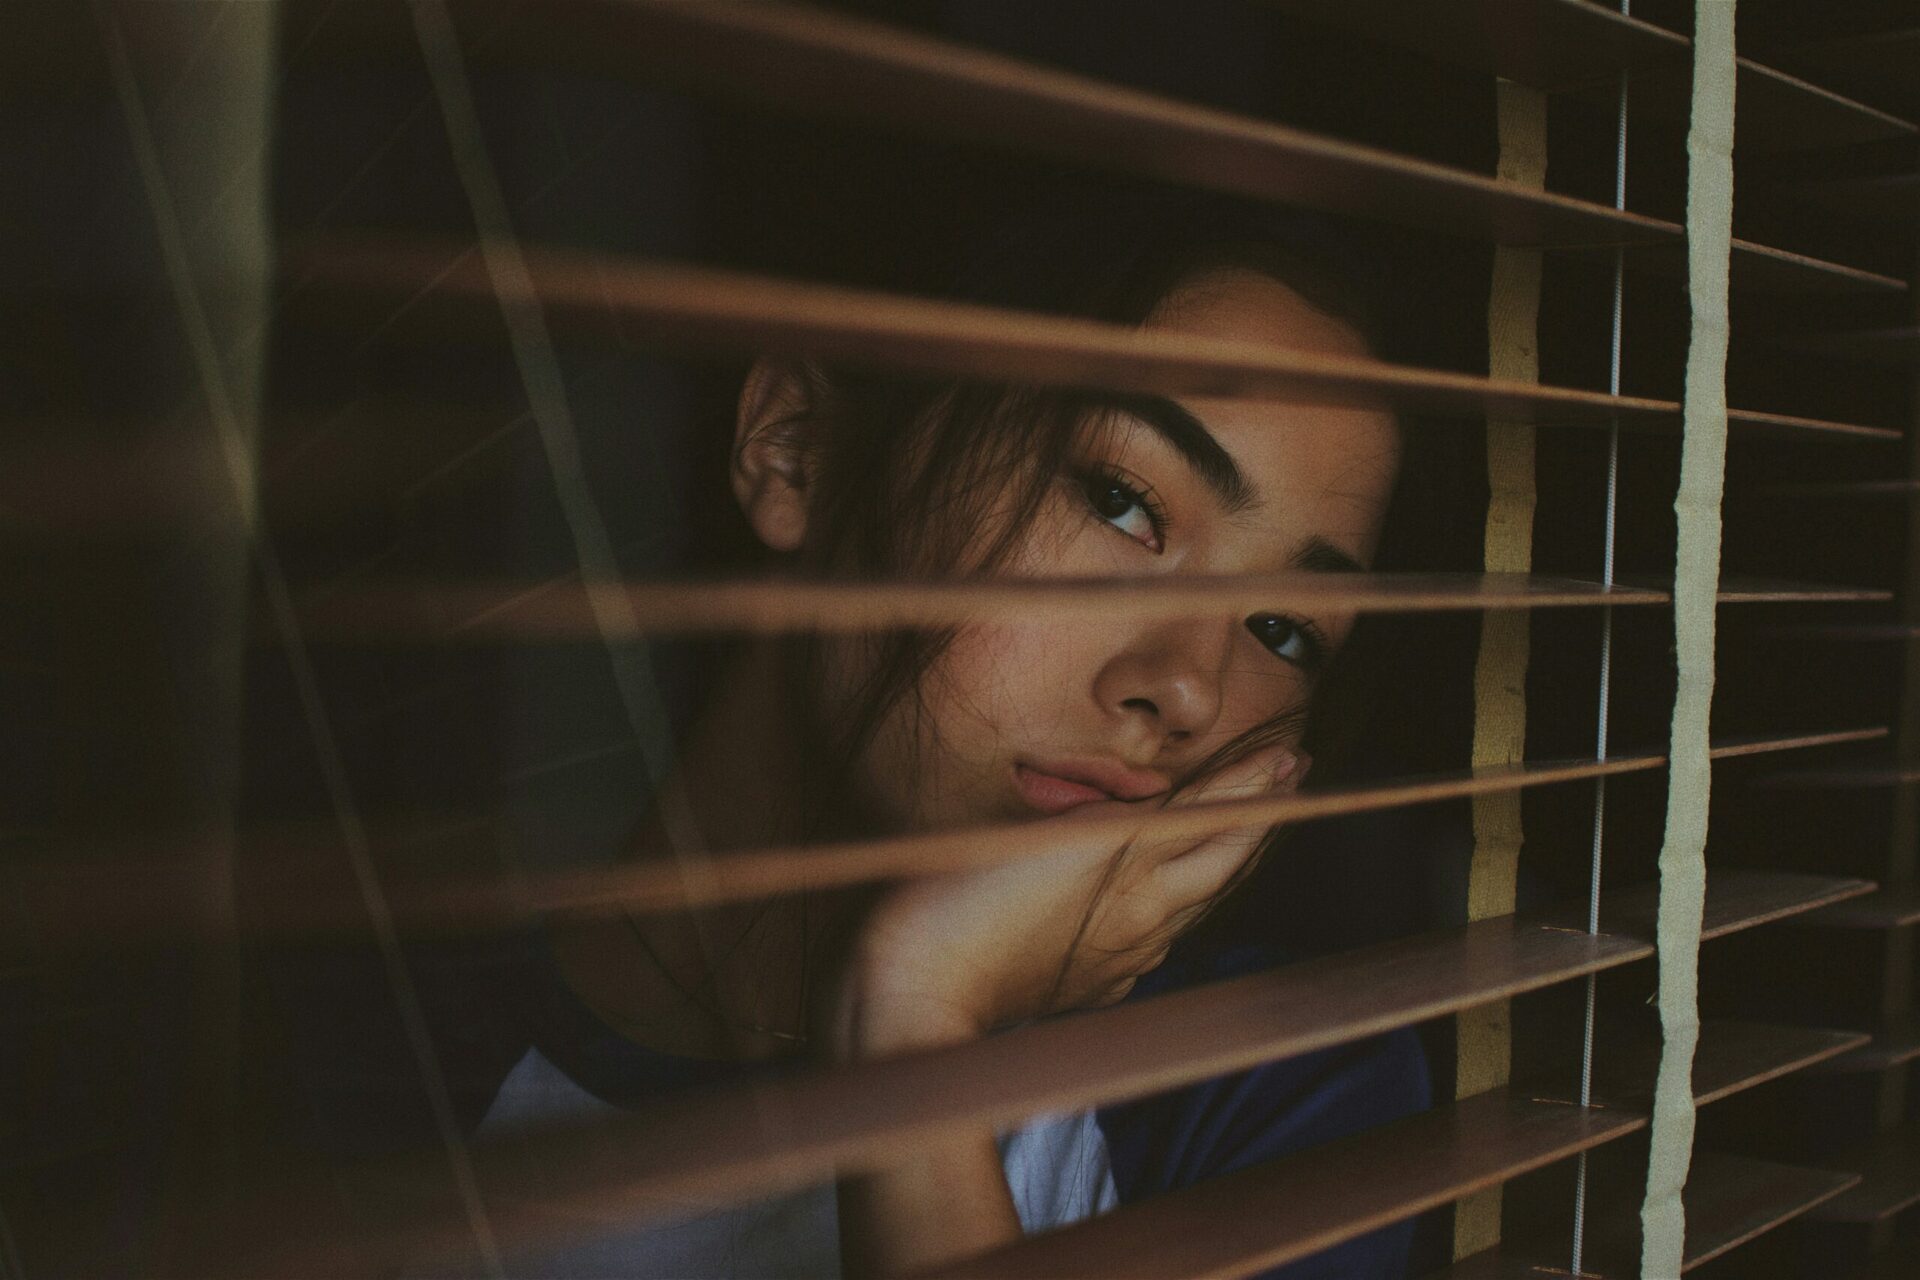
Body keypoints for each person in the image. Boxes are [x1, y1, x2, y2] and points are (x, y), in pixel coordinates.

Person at [469, 193, 1432, 1278]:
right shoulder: (382, 1054)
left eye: (1284, 629)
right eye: (1121, 501)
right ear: (799, 452)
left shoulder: (1271, 1095)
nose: (1187, 689)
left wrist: (913, 1018)